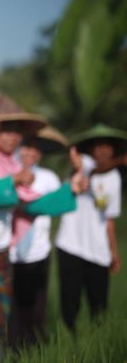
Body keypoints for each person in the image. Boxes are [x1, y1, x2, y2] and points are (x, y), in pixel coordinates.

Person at [0, 94, 79, 363]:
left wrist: (72, 189)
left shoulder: (11, 164)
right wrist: (14, 180)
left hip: (0, 250)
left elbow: (30, 205)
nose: (13, 137)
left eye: (17, 131)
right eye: (6, 129)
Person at [55, 123, 127, 332]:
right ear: (91, 149)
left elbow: (109, 219)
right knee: (70, 304)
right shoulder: (85, 165)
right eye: (98, 146)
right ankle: (70, 346)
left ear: (113, 148)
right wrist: (121, 161)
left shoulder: (114, 178)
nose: (103, 150)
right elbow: (94, 169)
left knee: (99, 308)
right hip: (71, 245)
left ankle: (96, 347)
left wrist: (114, 253)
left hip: (98, 250)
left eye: (108, 146)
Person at [9, 127, 75, 346]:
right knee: (12, 311)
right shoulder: (9, 172)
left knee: (36, 311)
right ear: (18, 148)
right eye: (26, 147)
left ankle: (34, 354)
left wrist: (74, 180)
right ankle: (11, 353)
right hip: (10, 254)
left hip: (39, 253)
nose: (30, 153)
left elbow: (60, 202)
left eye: (36, 149)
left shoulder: (48, 177)